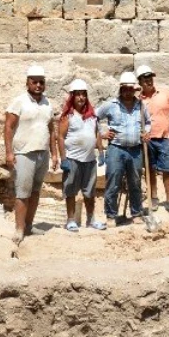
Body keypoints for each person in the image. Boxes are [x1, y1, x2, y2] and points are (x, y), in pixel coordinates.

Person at [96, 71, 155, 231]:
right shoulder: (111, 105)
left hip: (136, 150)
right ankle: (111, 215)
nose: (128, 92)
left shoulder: (141, 106)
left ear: (134, 90)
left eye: (131, 89)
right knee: (113, 182)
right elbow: (94, 117)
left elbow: (148, 122)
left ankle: (136, 213)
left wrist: (146, 132)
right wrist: (103, 133)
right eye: (126, 89)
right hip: (116, 149)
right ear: (121, 89)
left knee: (135, 182)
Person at [3, 65, 55, 243]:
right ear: (28, 83)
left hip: (42, 152)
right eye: (35, 82)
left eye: (41, 82)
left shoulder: (48, 103)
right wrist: (9, 152)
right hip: (24, 152)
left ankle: (29, 226)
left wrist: (54, 154)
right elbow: (8, 127)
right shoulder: (19, 102)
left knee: (35, 192)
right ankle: (19, 229)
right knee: (22, 193)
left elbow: (51, 129)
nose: (38, 85)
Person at [53, 79, 104, 232]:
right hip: (73, 159)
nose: (81, 98)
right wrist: (63, 159)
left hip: (89, 160)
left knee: (90, 192)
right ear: (72, 97)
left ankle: (90, 219)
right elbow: (60, 137)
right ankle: (71, 220)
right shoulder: (67, 117)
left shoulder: (92, 116)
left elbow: (97, 135)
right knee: (70, 191)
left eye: (83, 95)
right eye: (78, 95)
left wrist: (101, 152)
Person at [136, 64, 169, 216]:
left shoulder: (165, 94)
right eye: (145, 79)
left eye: (150, 78)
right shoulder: (138, 100)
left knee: (167, 170)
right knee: (150, 170)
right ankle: (154, 198)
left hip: (164, 139)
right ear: (140, 82)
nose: (149, 82)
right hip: (148, 140)